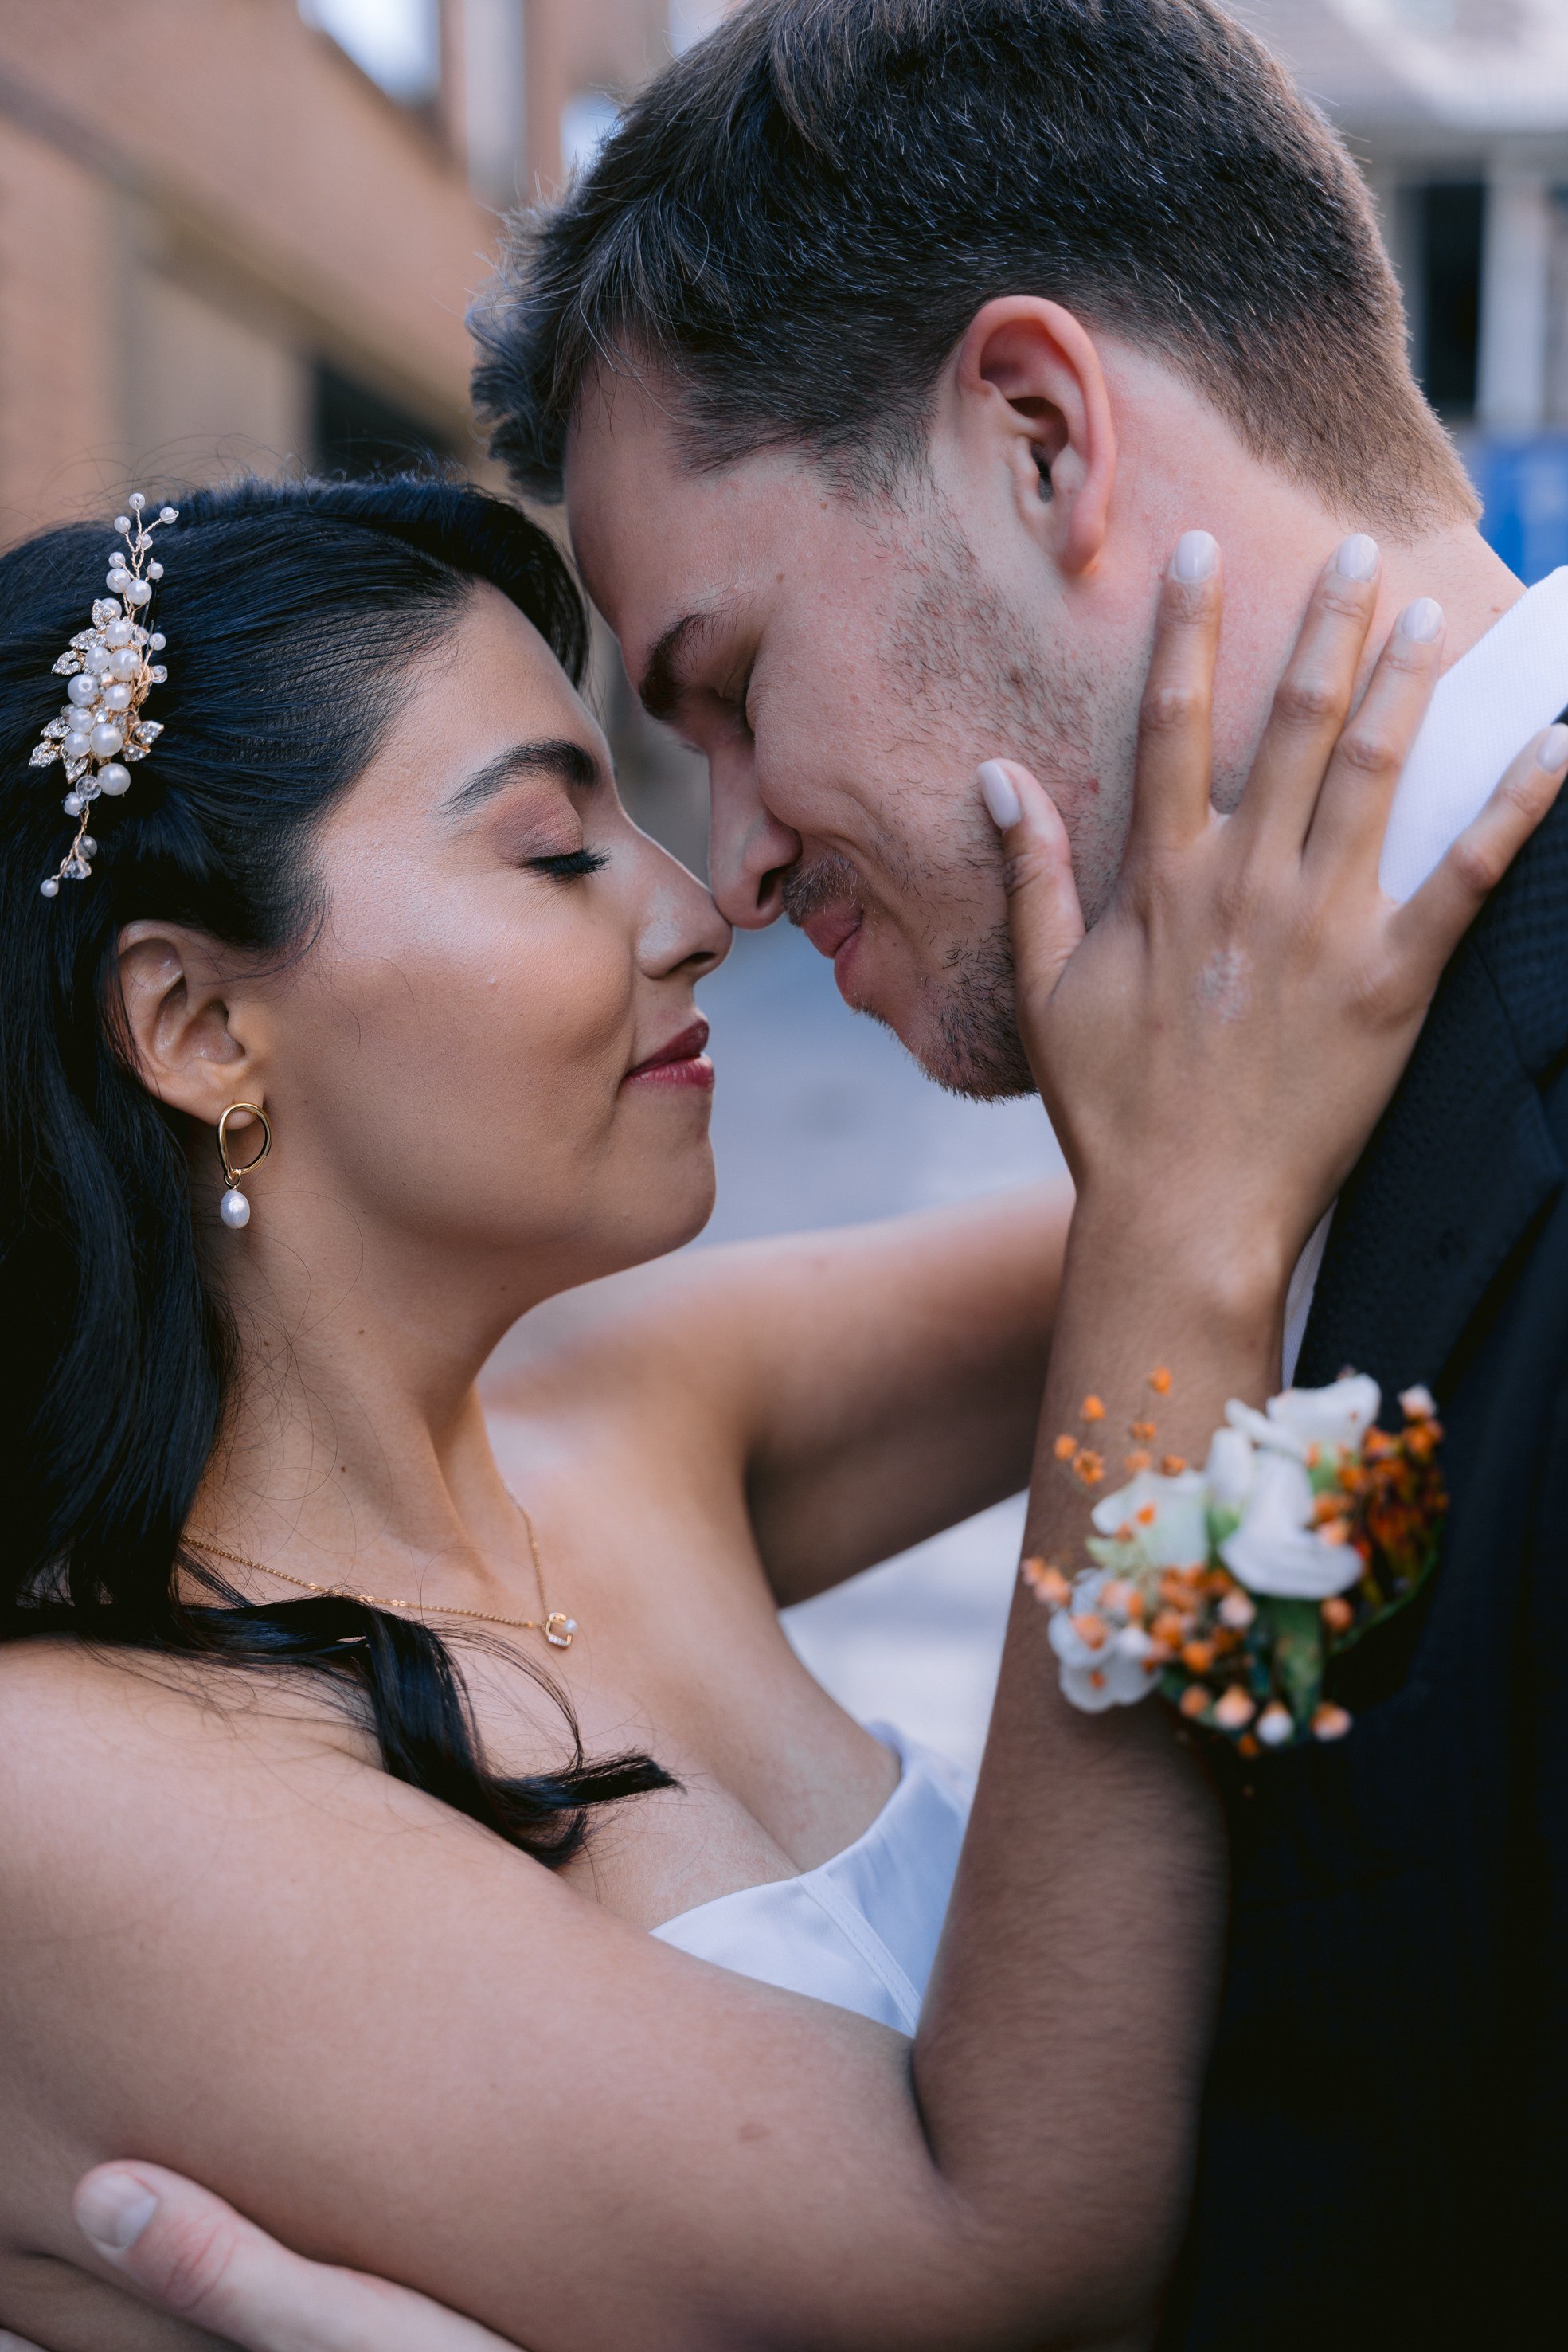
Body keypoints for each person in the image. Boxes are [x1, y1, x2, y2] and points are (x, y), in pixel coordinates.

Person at [1, 460, 1552, 2351]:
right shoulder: (66, 1777)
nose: (691, 906)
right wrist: (1173, 1232)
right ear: (196, 1027)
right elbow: (991, 2252)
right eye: (558, 851)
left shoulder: (631, 1408)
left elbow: (1268, 1156)